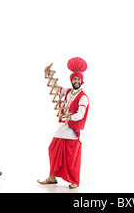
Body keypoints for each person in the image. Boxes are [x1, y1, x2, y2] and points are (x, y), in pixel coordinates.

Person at [38, 57, 89, 189]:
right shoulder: (67, 91)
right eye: (74, 79)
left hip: (73, 129)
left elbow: (81, 114)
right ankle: (52, 177)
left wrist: (69, 116)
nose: (76, 81)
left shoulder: (83, 97)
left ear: (81, 81)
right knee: (53, 149)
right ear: (71, 80)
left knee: (72, 157)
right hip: (63, 126)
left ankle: (75, 181)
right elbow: (55, 89)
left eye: (78, 79)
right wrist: (48, 75)